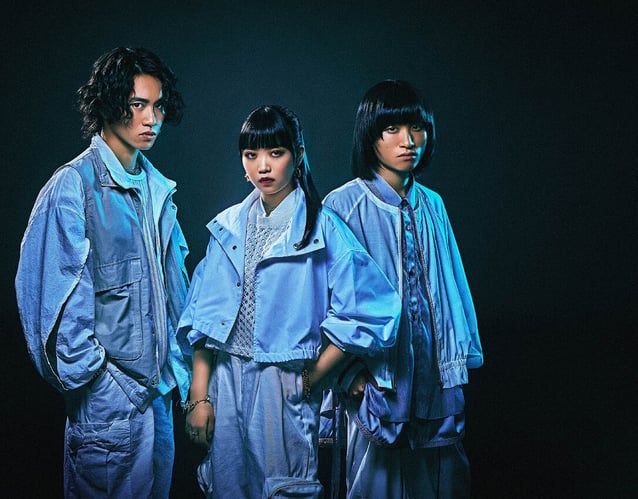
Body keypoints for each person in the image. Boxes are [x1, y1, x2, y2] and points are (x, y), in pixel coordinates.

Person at [177, 105, 401, 498]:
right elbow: (201, 318)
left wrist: (315, 377)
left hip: (283, 383)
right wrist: (199, 396)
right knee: (225, 487)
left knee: (285, 488)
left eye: (275, 153)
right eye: (251, 155)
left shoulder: (323, 228)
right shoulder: (227, 228)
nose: (263, 166)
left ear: (298, 155)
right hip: (225, 378)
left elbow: (373, 310)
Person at [15, 47, 191, 498]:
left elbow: (172, 298)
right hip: (108, 410)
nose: (151, 119)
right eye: (137, 105)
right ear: (110, 103)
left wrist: (178, 380)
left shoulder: (155, 188)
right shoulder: (72, 186)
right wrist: (102, 388)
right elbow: (52, 310)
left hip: (157, 401)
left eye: (158, 106)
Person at [323, 79, 483, 498]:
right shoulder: (343, 206)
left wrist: (455, 363)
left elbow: (454, 291)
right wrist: (348, 375)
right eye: (392, 129)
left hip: (432, 376)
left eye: (417, 128)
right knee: (374, 482)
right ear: (370, 135)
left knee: (439, 479)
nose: (408, 141)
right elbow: (321, 302)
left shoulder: (433, 204)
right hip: (377, 379)